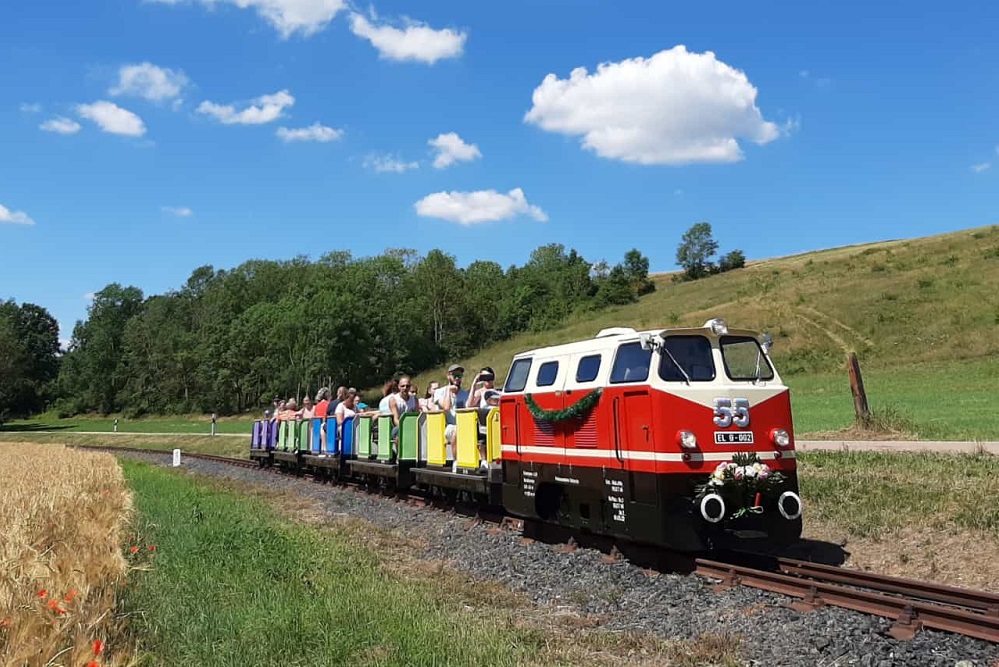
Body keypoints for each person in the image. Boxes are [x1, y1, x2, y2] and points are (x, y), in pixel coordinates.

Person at [433, 364, 469, 457]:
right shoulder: (439, 392)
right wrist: (449, 391)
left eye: (460, 375)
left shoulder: (465, 394)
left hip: (465, 425)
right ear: (448, 376)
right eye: (455, 375)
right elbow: (446, 407)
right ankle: (456, 461)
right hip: (449, 426)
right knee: (456, 432)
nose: (457, 378)